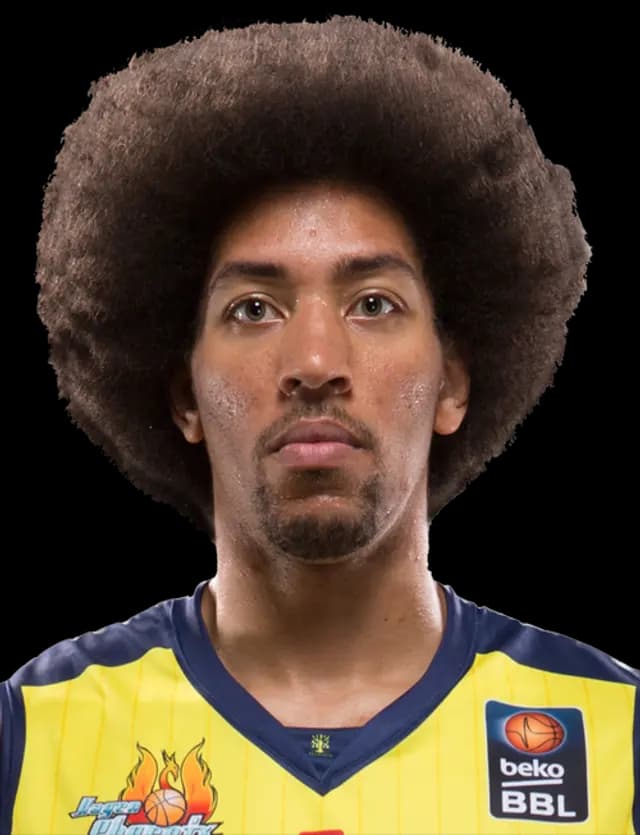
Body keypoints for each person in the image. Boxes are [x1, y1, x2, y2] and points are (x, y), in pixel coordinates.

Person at [3, 15, 638, 835]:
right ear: (184, 394)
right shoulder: (35, 734)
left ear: (452, 382)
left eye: (373, 303)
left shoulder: (613, 734)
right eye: (253, 308)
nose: (313, 361)